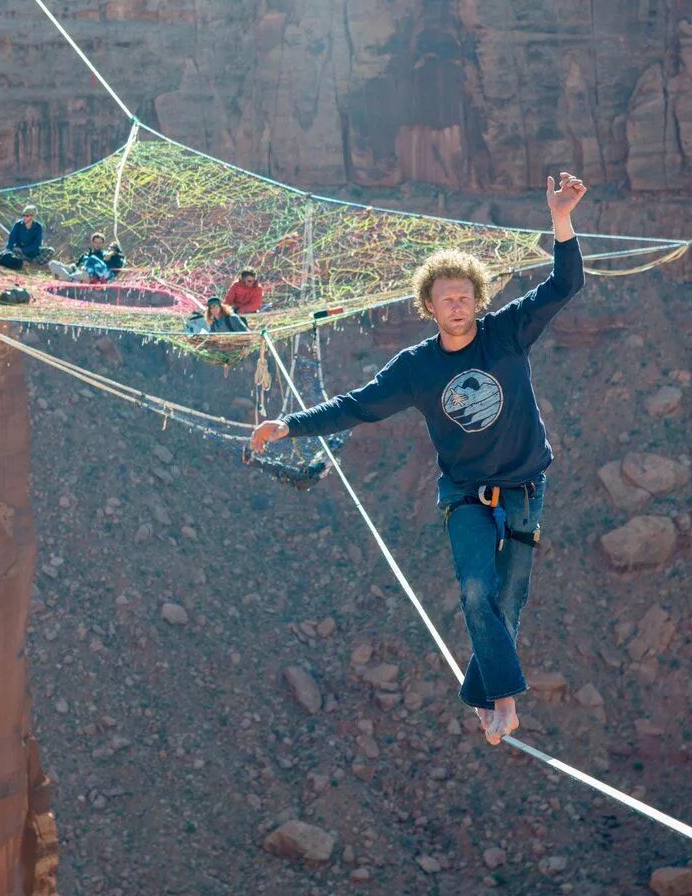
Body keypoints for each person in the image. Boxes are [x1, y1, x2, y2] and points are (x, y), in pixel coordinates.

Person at [251, 172, 588, 746]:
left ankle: (484, 698)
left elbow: (564, 285)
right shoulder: (416, 368)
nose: (456, 306)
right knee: (478, 590)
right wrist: (289, 426)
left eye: (465, 297)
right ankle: (503, 703)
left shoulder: (505, 334)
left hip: (526, 489)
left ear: (478, 300)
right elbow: (357, 407)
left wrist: (560, 219)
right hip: (465, 497)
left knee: (509, 599)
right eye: (445, 298)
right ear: (428, 305)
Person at [0, 203, 55, 269]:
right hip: (18, 252)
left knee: (50, 250)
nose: (24, 217)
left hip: (32, 252)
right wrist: (9, 250)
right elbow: (11, 240)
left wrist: (23, 250)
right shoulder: (18, 225)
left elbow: (37, 244)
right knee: (7, 255)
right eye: (24, 215)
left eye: (27, 216)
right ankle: (26, 263)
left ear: (32, 216)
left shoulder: (38, 227)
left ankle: (32, 263)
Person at [48, 232, 126, 283]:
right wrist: (73, 266)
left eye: (100, 243)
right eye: (96, 242)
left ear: (103, 243)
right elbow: (77, 265)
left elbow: (120, 259)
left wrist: (112, 253)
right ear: (92, 243)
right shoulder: (85, 255)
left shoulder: (106, 254)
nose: (98, 245)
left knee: (84, 273)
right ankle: (69, 279)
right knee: (53, 263)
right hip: (77, 272)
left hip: (89, 275)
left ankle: (67, 279)